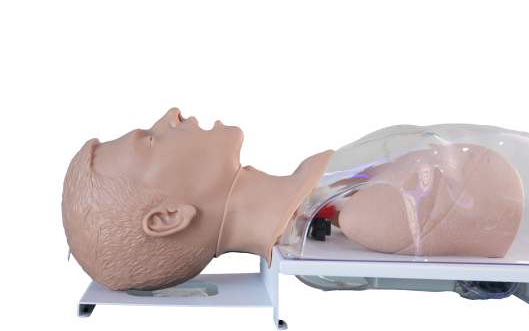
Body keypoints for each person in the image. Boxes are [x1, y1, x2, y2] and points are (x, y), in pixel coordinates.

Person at [62, 107, 332, 291]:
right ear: (169, 216)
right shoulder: (348, 210)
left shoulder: (330, 189)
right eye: (150, 141)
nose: (173, 113)